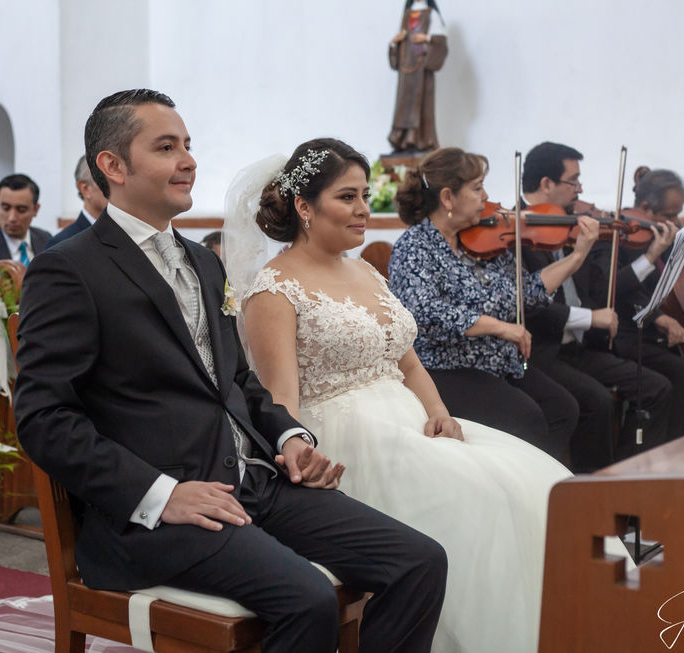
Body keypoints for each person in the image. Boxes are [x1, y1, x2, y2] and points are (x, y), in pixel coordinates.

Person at [14, 89, 446, 653]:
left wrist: (290, 438)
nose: (189, 160)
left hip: (255, 483)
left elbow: (237, 381)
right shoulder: (69, 269)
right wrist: (161, 494)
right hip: (156, 513)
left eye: (187, 145)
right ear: (113, 166)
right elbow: (43, 418)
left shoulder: (203, 262)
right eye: (166, 148)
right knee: (308, 598)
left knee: (419, 561)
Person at [230, 137, 587, 652]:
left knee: (539, 485)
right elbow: (278, 397)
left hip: (410, 418)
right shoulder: (274, 289)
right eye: (347, 197)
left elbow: (409, 360)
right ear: (305, 207)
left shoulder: (365, 270)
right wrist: (299, 455)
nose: (363, 209)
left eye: (364, 195)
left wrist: (440, 413)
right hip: (347, 435)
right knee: (481, 501)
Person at [388, 148, 596, 460]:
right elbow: (425, 313)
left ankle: (540, 481)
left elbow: (526, 292)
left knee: (563, 408)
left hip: (497, 362)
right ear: (448, 198)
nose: (486, 196)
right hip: (446, 368)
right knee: (526, 418)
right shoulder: (414, 246)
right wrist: (499, 328)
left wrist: (577, 257)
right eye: (477, 188)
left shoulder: (483, 241)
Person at [519, 142, 673, 468]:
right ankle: (593, 486)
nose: (580, 189)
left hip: (579, 347)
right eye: (574, 181)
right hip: (543, 350)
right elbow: (530, 305)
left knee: (656, 387)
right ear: (546, 183)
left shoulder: (571, 224)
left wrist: (609, 251)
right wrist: (590, 318)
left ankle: (630, 473)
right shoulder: (513, 232)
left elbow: (601, 289)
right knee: (598, 401)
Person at [587, 168, 684, 438]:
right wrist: (651, 256)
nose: (675, 222)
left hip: (654, 332)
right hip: (625, 334)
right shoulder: (615, 235)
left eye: (678, 214)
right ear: (644, 208)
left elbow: (670, 288)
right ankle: (666, 446)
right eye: (668, 215)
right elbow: (613, 290)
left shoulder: (664, 234)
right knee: (680, 371)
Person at [387, 0, 448, 153]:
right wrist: (395, 42)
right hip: (406, 67)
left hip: (422, 68)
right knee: (403, 105)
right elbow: (399, 37)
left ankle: (420, 141)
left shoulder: (430, 14)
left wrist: (426, 38)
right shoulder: (407, 14)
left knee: (421, 105)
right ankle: (401, 141)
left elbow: (441, 39)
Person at [45, 155, 108, 250]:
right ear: (85, 188)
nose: (119, 186)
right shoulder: (61, 244)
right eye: (108, 180)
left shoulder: (125, 234)